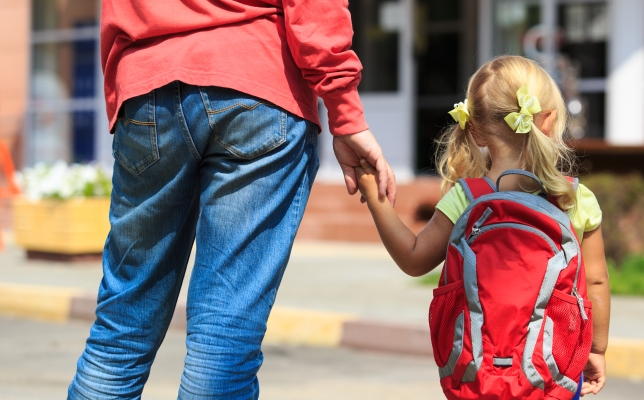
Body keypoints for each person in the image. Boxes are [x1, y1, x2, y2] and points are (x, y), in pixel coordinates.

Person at [68, 1, 395, 399]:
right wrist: (345, 112)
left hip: (148, 79)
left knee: (121, 329)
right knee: (224, 332)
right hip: (256, 82)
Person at [354, 55, 609, 399]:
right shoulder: (575, 198)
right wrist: (596, 349)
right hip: (554, 368)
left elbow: (414, 259)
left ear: (474, 129)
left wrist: (375, 195)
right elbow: (594, 281)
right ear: (547, 122)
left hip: (476, 370)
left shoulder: (466, 198)